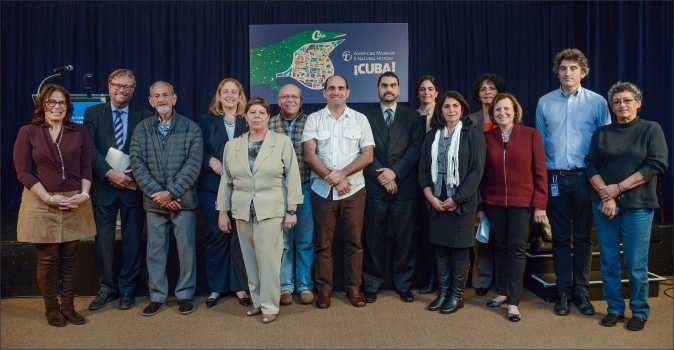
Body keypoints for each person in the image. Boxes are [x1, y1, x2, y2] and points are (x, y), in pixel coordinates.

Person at [585, 82, 668, 331]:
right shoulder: (602, 133)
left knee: (635, 263)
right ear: (612, 106)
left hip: (638, 206)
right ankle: (615, 309)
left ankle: (640, 311)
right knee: (608, 261)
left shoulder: (651, 129)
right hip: (604, 205)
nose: (622, 105)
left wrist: (617, 189)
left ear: (638, 103)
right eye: (617, 101)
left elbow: (656, 165)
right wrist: (606, 195)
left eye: (627, 100)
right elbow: (590, 164)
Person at [535, 48, 610, 316]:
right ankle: (563, 293)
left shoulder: (598, 102)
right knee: (559, 240)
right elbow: (540, 146)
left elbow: (605, 143)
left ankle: (581, 293)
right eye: (564, 68)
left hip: (585, 179)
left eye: (573, 68)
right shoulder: (544, 102)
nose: (568, 73)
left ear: (583, 73)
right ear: (557, 72)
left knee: (581, 238)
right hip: (555, 178)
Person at [13, 84, 95, 326]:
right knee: (48, 257)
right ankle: (52, 308)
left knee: (70, 256)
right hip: (41, 201)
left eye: (61, 103)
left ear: (68, 107)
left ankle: (68, 307)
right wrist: (49, 198)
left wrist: (85, 195)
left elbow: (86, 167)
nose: (57, 107)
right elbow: (23, 172)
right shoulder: (27, 132)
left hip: (74, 201)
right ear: (43, 106)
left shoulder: (79, 132)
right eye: (52, 102)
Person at [216, 97, 303, 324]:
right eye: (252, 112)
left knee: (268, 260)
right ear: (245, 117)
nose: (256, 116)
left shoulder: (282, 142)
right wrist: (222, 212)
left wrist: (291, 210)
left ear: (267, 117)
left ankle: (270, 306)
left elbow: (292, 178)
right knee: (250, 261)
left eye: (261, 113)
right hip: (242, 211)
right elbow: (226, 182)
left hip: (271, 211)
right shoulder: (232, 146)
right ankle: (257, 302)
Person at [129, 81, 203, 316]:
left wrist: (170, 192)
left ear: (174, 98)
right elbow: (137, 165)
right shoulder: (140, 129)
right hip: (154, 203)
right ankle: (158, 296)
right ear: (150, 101)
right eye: (156, 96)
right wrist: (160, 196)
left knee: (186, 251)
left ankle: (184, 294)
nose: (161, 99)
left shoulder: (192, 129)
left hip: (183, 202)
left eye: (165, 95)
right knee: (155, 251)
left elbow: (193, 166)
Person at [302, 75, 375, 309]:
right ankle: (324, 290)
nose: (336, 92)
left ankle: (354, 289)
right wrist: (331, 178)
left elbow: (367, 155)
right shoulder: (313, 119)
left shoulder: (360, 119)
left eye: (340, 88)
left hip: (354, 190)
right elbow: (309, 154)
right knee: (323, 243)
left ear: (348, 92)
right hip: (322, 191)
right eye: (331, 88)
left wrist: (341, 174)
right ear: (324, 93)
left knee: (354, 243)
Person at [83, 69, 153, 311]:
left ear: (133, 90)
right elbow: (88, 148)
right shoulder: (93, 113)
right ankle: (106, 288)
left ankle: (127, 289)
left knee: (132, 241)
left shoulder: (144, 115)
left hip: (133, 187)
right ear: (109, 86)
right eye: (117, 85)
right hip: (104, 187)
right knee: (104, 242)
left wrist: (131, 173)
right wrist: (109, 173)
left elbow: (148, 149)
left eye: (126, 86)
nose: (121, 90)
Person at [478, 93, 548, 322]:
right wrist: (480, 204)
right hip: (494, 202)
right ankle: (502, 291)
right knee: (499, 248)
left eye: (506, 109)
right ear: (493, 113)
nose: (502, 113)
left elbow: (540, 172)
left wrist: (540, 204)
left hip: (523, 203)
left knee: (517, 249)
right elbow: (480, 175)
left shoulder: (531, 135)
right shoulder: (486, 137)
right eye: (497, 110)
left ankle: (513, 302)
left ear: (515, 111)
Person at [419, 90, 486, 314]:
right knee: (440, 249)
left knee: (459, 249)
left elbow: (477, 171)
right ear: (441, 110)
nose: (451, 110)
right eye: (447, 106)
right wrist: (431, 198)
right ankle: (443, 292)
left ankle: (457, 296)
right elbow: (422, 171)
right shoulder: (432, 136)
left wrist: (456, 199)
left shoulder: (473, 134)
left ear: (462, 109)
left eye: (455, 106)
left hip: (462, 205)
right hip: (436, 204)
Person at [362, 72, 424, 303]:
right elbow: (363, 150)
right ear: (377, 89)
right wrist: (383, 176)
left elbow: (416, 148)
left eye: (393, 85)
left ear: (399, 89)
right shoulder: (365, 117)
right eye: (384, 85)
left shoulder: (412, 117)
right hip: (375, 188)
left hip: (404, 187)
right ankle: (371, 284)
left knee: (405, 241)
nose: (389, 89)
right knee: (373, 240)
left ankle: (404, 285)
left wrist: (394, 172)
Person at [197, 78, 251, 308]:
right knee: (217, 236)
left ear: (240, 96)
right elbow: (196, 151)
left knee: (239, 239)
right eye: (225, 92)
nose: (230, 96)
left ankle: (240, 287)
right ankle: (216, 287)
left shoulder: (247, 121)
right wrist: (209, 159)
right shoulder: (206, 121)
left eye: (234, 92)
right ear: (219, 96)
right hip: (212, 187)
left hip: (241, 190)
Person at [268, 84, 315, 306]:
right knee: (283, 242)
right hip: (276, 192)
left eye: (294, 97)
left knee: (305, 240)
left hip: (305, 188)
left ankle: (305, 286)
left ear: (301, 101)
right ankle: (285, 287)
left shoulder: (311, 124)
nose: (290, 100)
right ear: (278, 100)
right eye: (285, 96)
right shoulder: (267, 124)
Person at [466, 73, 507, 297]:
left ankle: (502, 281)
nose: (488, 92)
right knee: (480, 233)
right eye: (483, 89)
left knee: (502, 236)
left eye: (492, 88)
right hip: (477, 182)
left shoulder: (509, 116)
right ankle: (482, 279)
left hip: (503, 183)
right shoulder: (470, 121)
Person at [415, 75, 440, 294]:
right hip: (415, 179)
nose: (426, 93)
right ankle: (427, 275)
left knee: (437, 230)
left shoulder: (443, 116)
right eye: (422, 89)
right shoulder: (411, 117)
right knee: (422, 231)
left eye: (430, 89)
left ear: (436, 93)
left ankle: (439, 277)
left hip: (438, 181)